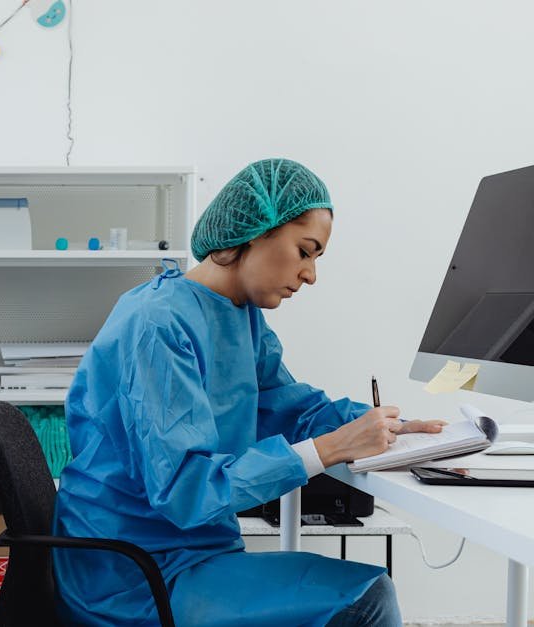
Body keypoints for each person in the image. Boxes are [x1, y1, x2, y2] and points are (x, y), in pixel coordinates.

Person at [52, 159, 446, 626]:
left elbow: (290, 408)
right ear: (252, 232)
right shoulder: (157, 323)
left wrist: (390, 429)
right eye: (305, 251)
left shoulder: (239, 316)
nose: (311, 275)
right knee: (367, 599)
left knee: (357, 593)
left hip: (190, 551)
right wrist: (331, 447)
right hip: (133, 572)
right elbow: (184, 491)